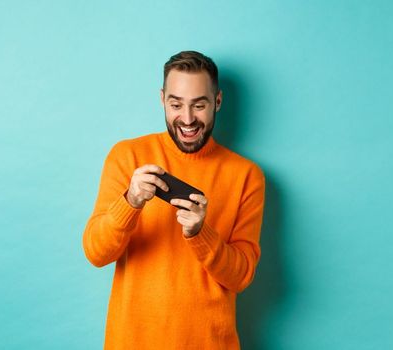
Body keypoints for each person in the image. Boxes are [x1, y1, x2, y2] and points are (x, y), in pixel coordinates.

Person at [82, 50, 265, 349]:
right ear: (162, 99)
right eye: (176, 104)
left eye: (199, 105)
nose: (188, 119)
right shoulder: (127, 157)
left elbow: (241, 276)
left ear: (217, 102)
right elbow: (96, 253)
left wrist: (200, 234)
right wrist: (130, 202)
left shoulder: (247, 175)